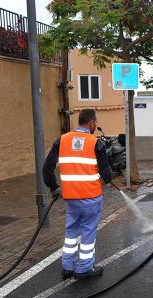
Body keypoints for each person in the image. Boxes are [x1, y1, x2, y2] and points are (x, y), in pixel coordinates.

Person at [43, 109, 112, 280]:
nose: (95, 125)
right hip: (91, 198)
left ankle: (68, 266)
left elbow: (46, 168)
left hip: (71, 198)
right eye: (95, 122)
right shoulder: (96, 143)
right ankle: (84, 269)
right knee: (88, 233)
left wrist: (54, 188)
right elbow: (107, 176)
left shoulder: (62, 140)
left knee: (71, 231)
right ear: (91, 123)